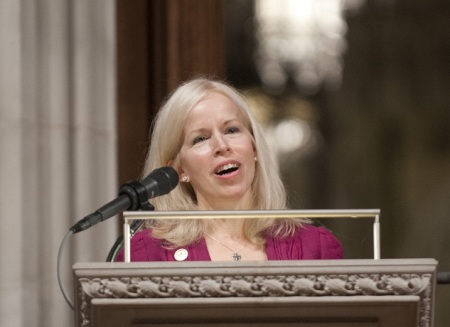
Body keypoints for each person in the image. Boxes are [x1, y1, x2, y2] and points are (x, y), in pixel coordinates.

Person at [116, 77, 343, 262]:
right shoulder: (145, 255)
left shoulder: (316, 249)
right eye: (201, 138)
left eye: (232, 130)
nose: (222, 146)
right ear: (178, 170)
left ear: (254, 147)